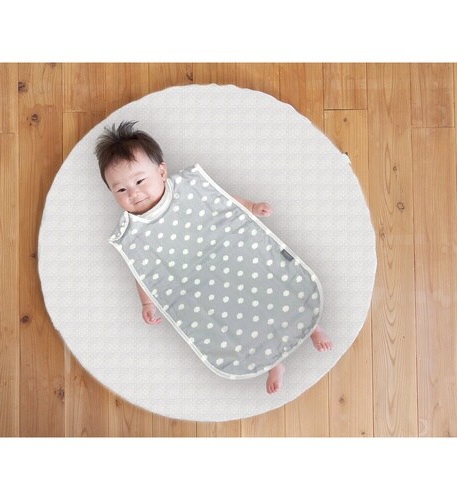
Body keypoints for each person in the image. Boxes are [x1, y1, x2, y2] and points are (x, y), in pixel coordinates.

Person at [96, 121, 332, 394]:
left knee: (271, 284)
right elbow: (143, 270)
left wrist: (251, 206)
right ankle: (273, 364)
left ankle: (312, 327)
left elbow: (223, 200)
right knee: (237, 319)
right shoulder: (133, 233)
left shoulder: (189, 185)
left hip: (234, 256)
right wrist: (147, 302)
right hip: (203, 287)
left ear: (161, 172)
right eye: (121, 190)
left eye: (139, 181)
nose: (134, 193)